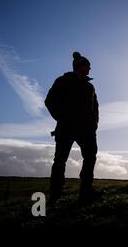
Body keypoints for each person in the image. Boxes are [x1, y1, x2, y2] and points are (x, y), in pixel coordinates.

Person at [45, 51, 99, 203]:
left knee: (90, 157)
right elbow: (49, 101)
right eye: (88, 66)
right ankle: (55, 196)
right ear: (80, 66)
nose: (89, 69)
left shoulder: (90, 87)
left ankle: (86, 192)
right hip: (66, 128)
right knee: (60, 160)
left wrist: (94, 124)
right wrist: (62, 119)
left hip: (87, 130)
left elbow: (95, 107)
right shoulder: (63, 81)